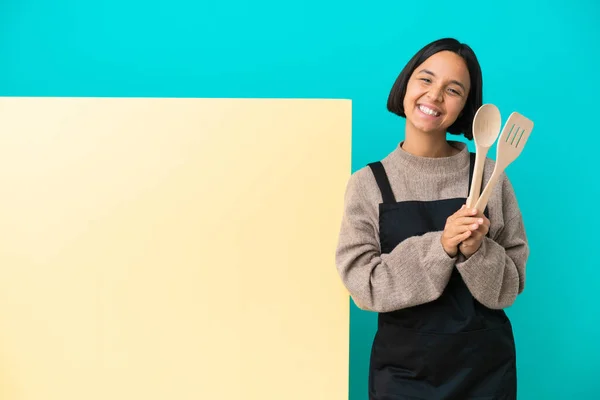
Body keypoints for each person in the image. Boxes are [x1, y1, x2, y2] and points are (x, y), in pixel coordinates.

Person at [335, 38, 529, 399]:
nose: (435, 96)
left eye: (453, 89)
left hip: (484, 371)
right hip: (402, 376)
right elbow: (363, 285)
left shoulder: (489, 174)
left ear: (466, 107)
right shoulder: (368, 184)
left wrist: (476, 252)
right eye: (426, 79)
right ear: (406, 84)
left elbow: (511, 285)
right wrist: (440, 246)